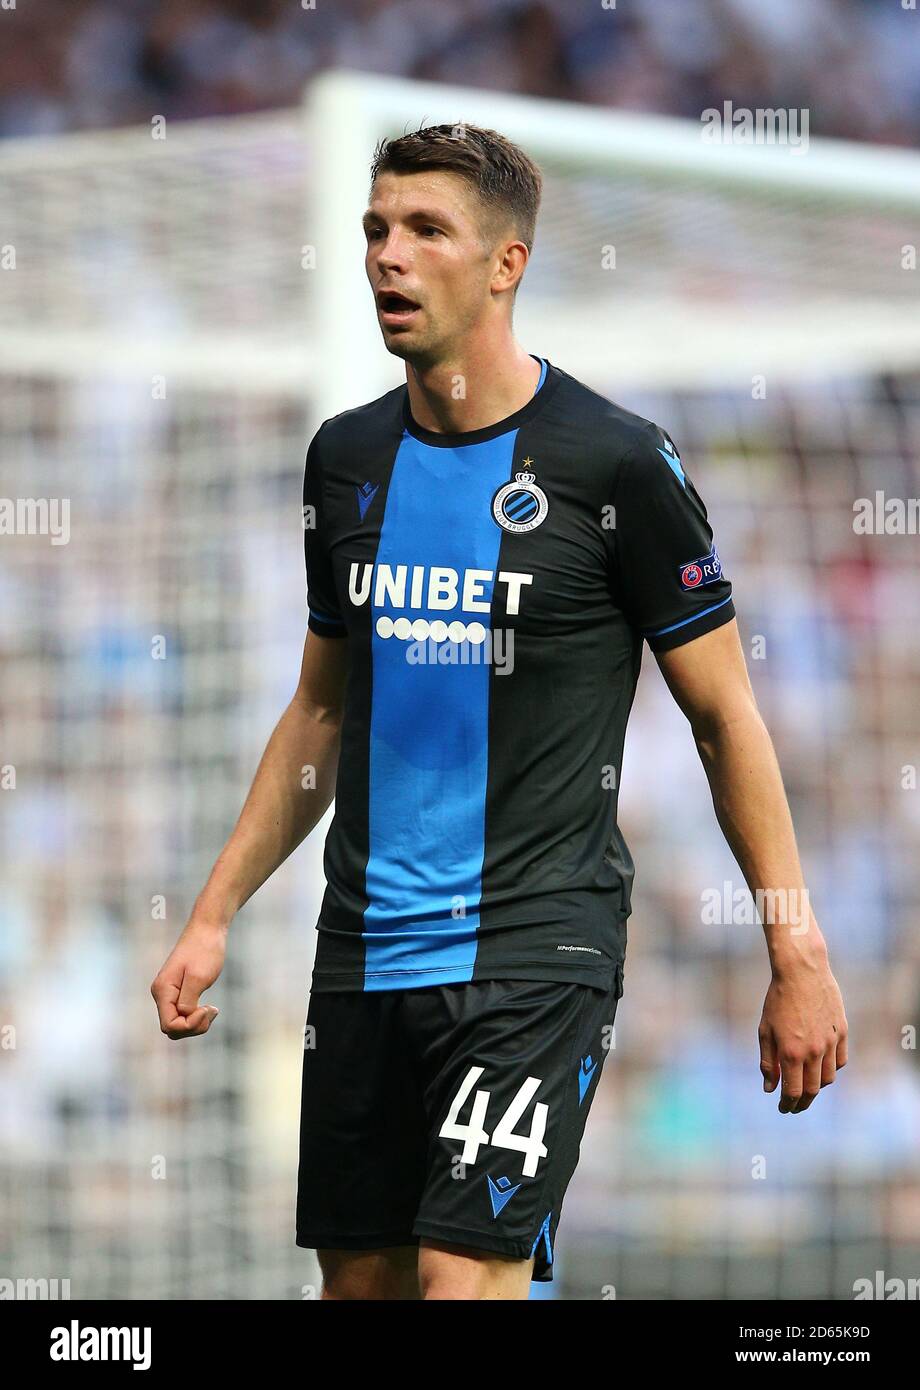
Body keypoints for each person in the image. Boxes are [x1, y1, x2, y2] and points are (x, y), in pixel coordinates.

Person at [151, 124, 848, 1301]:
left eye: (426, 231)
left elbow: (725, 717)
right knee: (361, 1288)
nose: (388, 256)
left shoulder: (615, 465)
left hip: (535, 947)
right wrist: (214, 911)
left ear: (504, 264)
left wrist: (794, 947)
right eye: (376, 229)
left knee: (457, 1282)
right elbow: (321, 711)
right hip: (361, 952)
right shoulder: (345, 460)